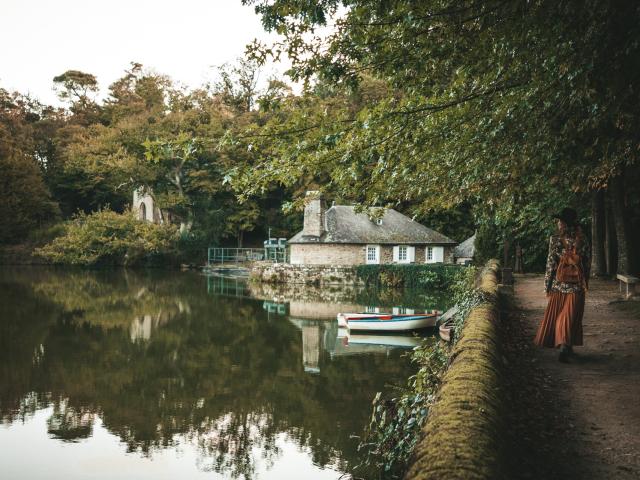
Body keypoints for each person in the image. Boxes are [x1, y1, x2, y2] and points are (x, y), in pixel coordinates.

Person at [534, 207, 590, 362]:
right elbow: (586, 264)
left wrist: (547, 286)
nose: (558, 223)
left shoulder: (555, 240)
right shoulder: (583, 239)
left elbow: (550, 265)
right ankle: (567, 346)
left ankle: (565, 347)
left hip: (559, 286)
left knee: (562, 316)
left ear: (564, 224)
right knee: (571, 317)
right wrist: (586, 283)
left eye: (559, 221)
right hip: (577, 286)